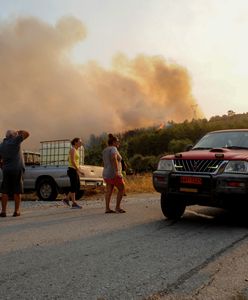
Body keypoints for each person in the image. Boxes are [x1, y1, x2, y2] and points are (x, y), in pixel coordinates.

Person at [0, 129, 30, 217]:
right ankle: (16, 211)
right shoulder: (16, 140)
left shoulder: (1, 145)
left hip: (6, 170)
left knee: (4, 191)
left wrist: (2, 166)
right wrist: (18, 132)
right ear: (13, 136)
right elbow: (27, 133)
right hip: (17, 169)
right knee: (17, 191)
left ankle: (3, 211)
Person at [102, 133, 125, 213]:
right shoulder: (114, 149)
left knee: (109, 190)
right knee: (122, 188)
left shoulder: (105, 150)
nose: (119, 143)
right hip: (113, 173)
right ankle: (117, 208)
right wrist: (117, 171)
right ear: (114, 142)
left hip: (106, 173)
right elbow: (113, 158)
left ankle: (107, 208)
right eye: (118, 141)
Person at [63, 137, 84, 209]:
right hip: (72, 170)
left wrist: (77, 168)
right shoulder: (73, 149)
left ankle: (66, 199)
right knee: (74, 186)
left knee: (76, 186)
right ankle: (74, 203)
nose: (81, 143)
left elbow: (68, 159)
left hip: (74, 169)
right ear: (75, 142)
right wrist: (78, 169)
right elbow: (72, 160)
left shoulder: (76, 150)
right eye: (80, 142)